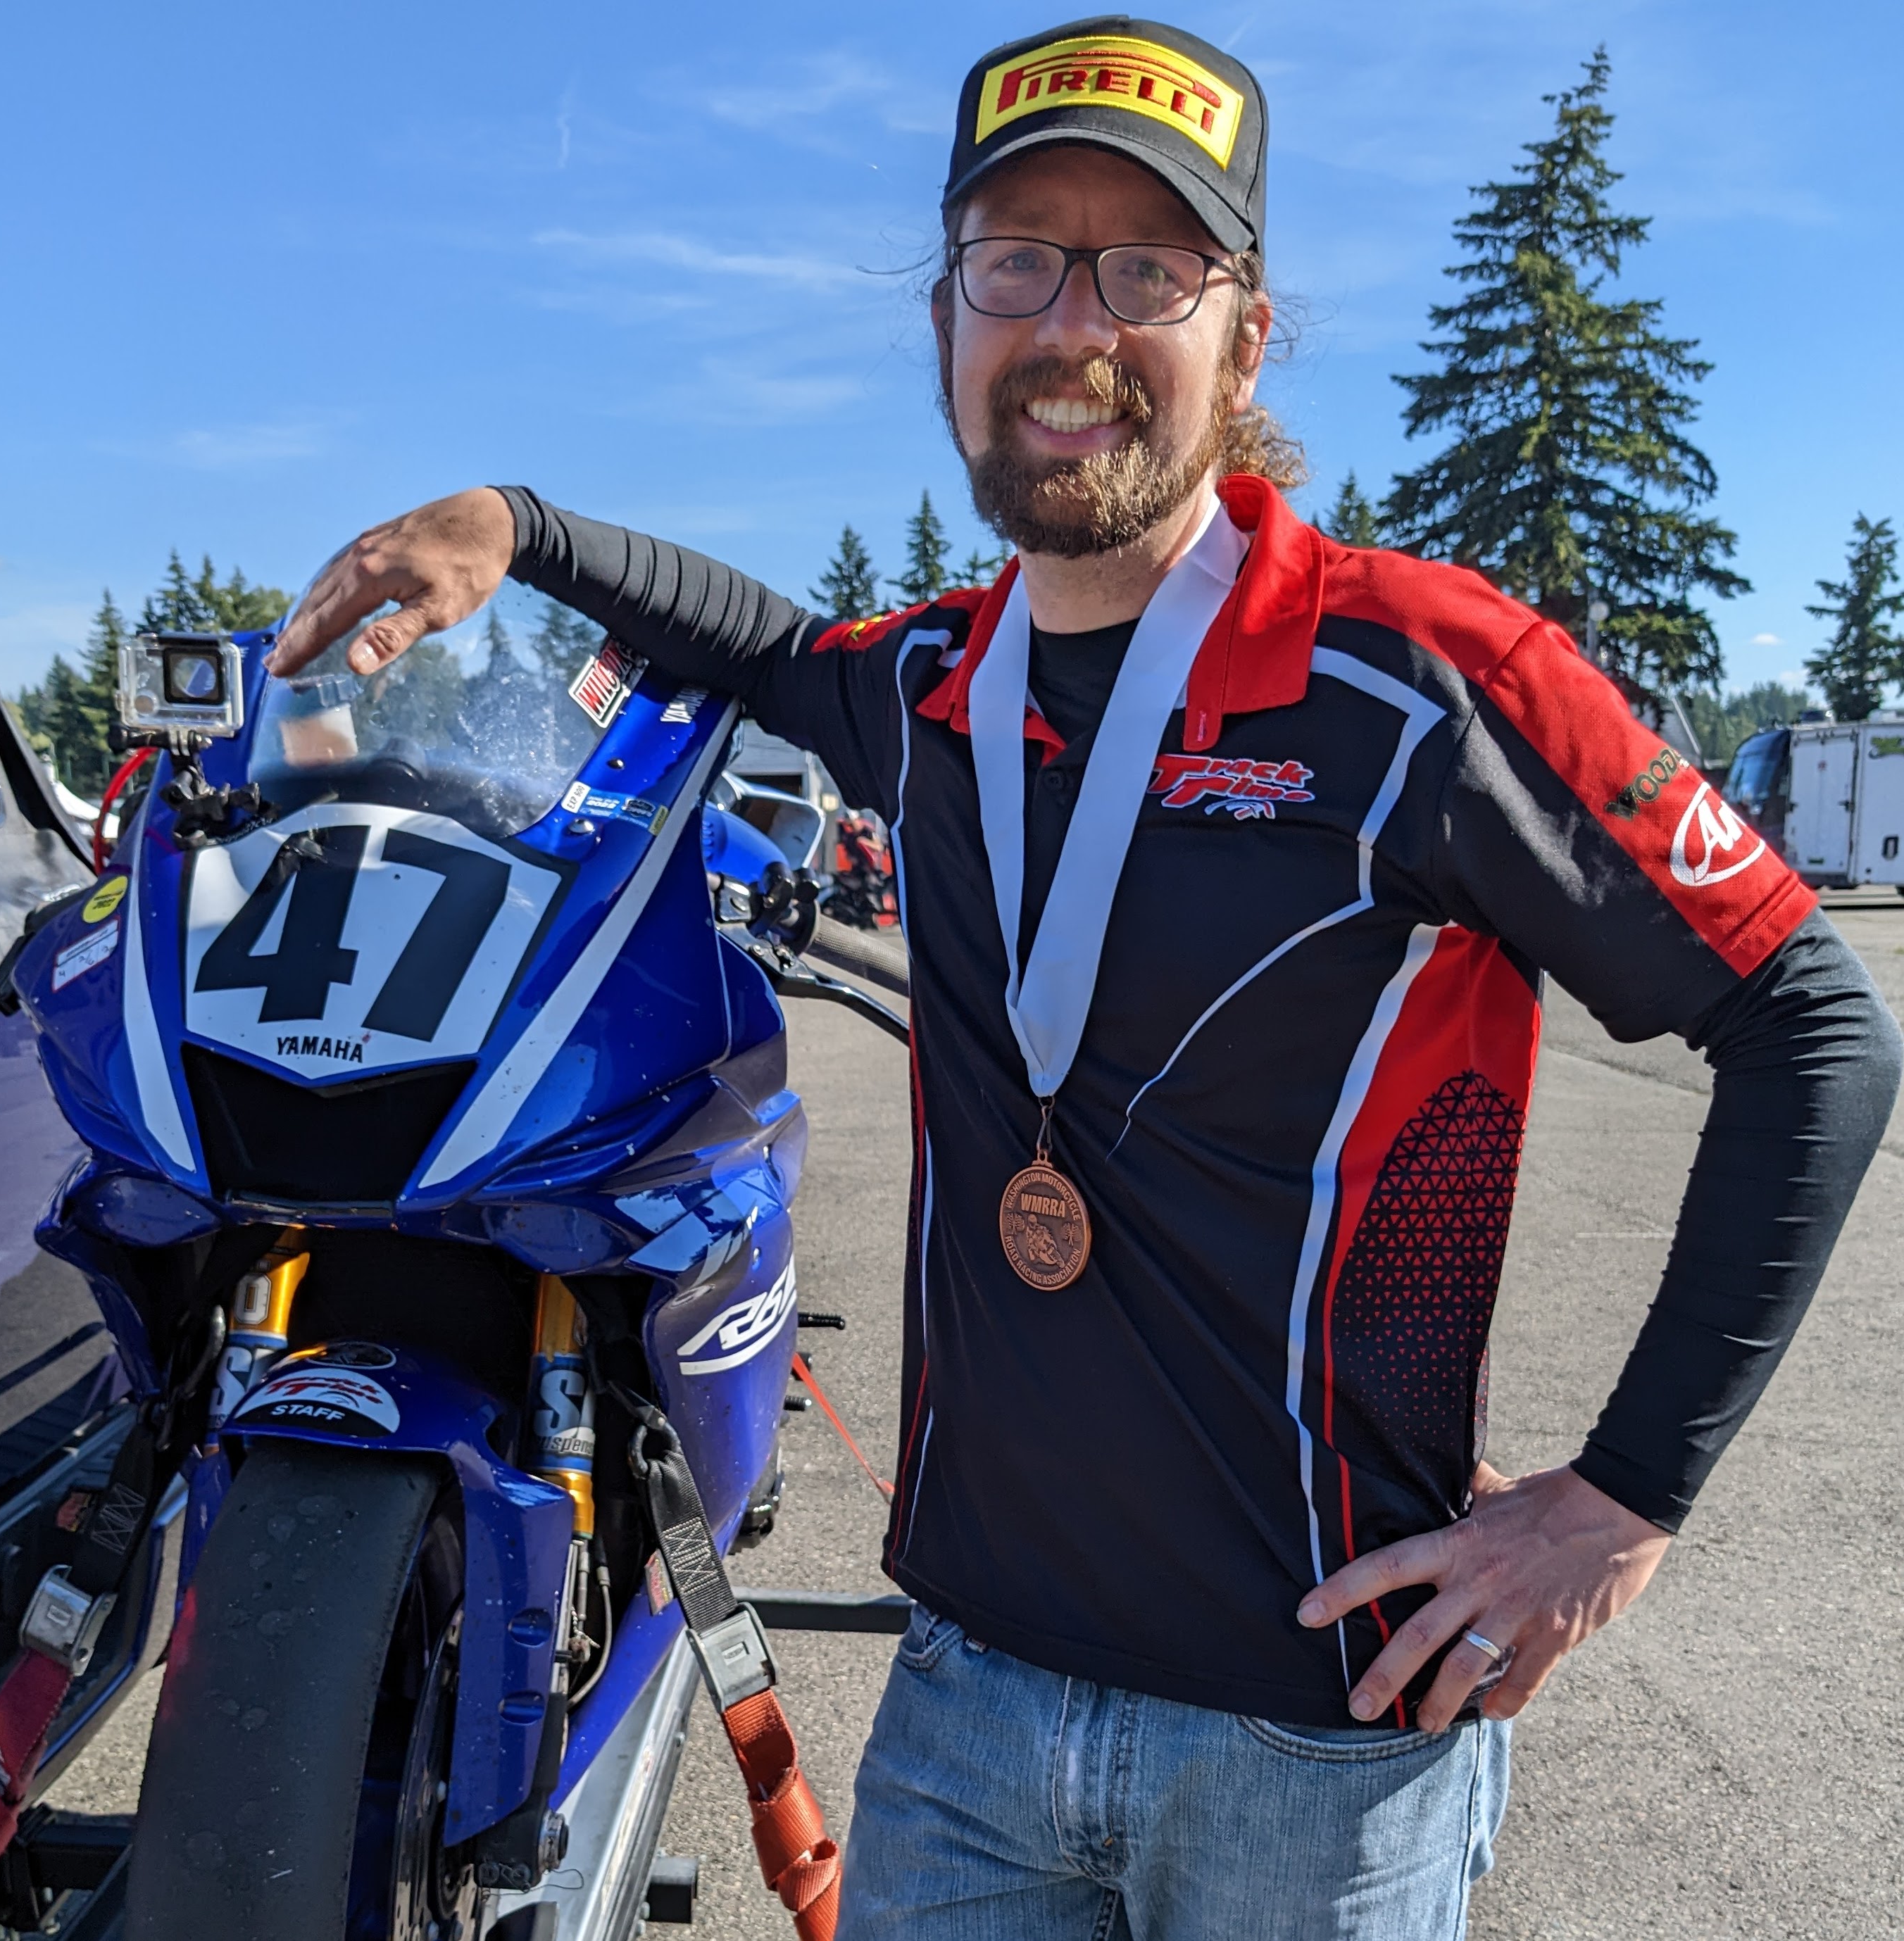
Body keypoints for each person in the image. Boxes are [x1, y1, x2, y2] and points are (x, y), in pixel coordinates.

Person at [273, 18, 1899, 1937]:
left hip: (1320, 1745)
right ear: (952, 320)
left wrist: (1625, 1494)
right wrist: (518, 526)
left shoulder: (1420, 684)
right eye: (1017, 261)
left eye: (1150, 269)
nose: (1074, 324)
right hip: (966, 1708)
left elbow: (1811, 1023)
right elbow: (754, 637)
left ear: (1248, 336)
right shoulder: (931, 691)